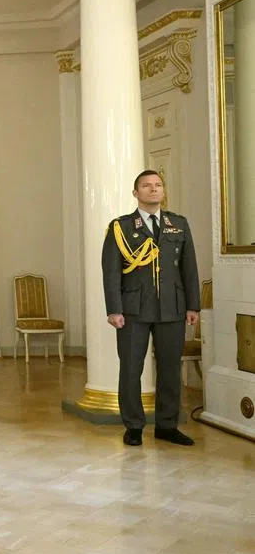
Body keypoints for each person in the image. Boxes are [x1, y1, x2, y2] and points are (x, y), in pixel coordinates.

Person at [102, 170, 199, 447]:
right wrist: (114, 309)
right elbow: (111, 271)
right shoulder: (121, 227)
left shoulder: (178, 224)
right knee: (131, 368)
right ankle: (133, 426)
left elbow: (189, 267)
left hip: (172, 308)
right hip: (134, 309)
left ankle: (167, 425)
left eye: (158, 185)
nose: (153, 189)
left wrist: (193, 306)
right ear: (136, 193)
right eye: (146, 185)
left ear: (163, 191)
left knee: (170, 368)